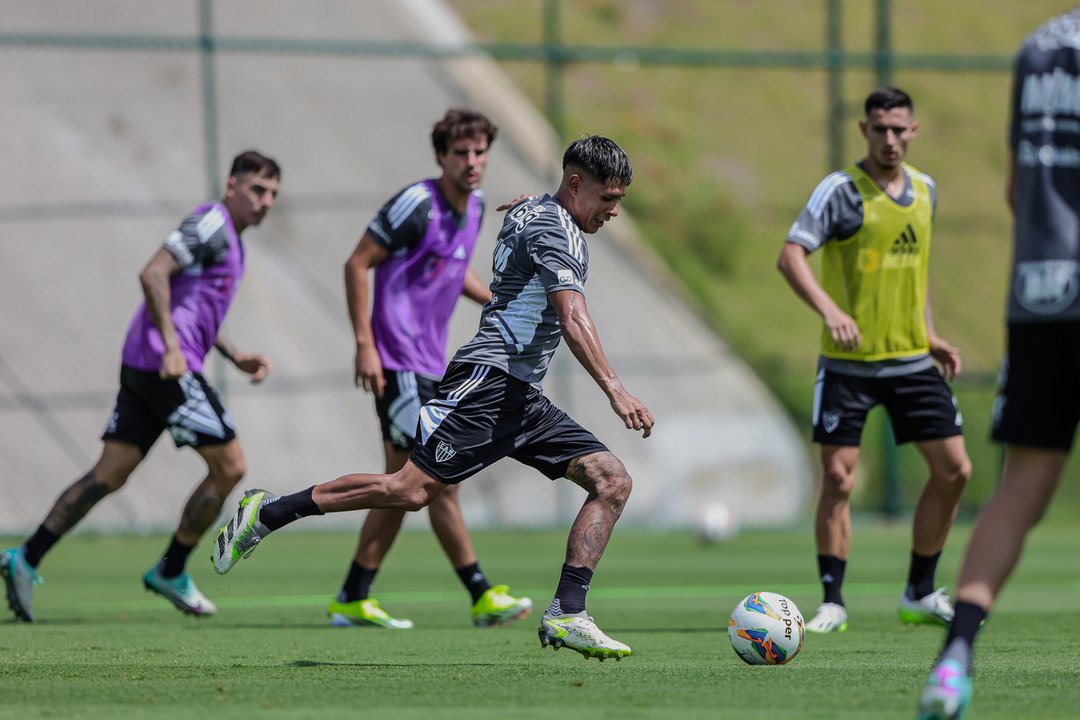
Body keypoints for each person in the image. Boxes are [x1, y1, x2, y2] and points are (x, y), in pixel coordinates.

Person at [212, 135, 653, 662]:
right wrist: (615, 388)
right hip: (487, 385)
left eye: (620, 201)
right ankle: (268, 512)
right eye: (609, 199)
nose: (614, 212)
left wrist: (534, 206)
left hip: (520, 395)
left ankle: (568, 613)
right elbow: (572, 315)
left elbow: (533, 217)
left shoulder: (541, 212)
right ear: (577, 185)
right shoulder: (554, 230)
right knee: (408, 490)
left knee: (611, 480)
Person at [0, 150, 281, 622]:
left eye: (273, 193)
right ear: (231, 186)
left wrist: (233, 355)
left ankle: (25, 558)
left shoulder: (232, 239)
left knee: (109, 474)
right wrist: (172, 349)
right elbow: (153, 272)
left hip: (146, 363)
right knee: (230, 467)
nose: (265, 201)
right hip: (164, 367)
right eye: (257, 189)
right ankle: (171, 569)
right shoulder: (212, 223)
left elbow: (194, 309)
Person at [918, 10, 1080, 719]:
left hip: (1040, 295)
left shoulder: (1038, 47)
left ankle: (955, 659)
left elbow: (1018, 187)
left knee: (1019, 492)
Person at [777, 87, 972, 635]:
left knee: (956, 471)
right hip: (848, 366)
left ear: (914, 132)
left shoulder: (927, 191)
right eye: (879, 128)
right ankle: (832, 601)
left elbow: (916, 271)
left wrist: (930, 333)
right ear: (864, 130)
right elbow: (791, 255)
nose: (890, 138)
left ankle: (919, 590)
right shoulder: (840, 190)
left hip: (912, 361)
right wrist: (831, 310)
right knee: (838, 479)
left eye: (899, 129)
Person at [330, 108, 531, 630]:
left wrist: (498, 301)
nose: (471, 162)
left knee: (407, 482)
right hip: (396, 360)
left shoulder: (477, 206)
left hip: (428, 364)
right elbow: (357, 263)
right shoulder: (415, 204)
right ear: (441, 156)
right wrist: (363, 344)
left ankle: (354, 595)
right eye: (460, 153)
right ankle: (481, 594)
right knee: (429, 479)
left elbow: (453, 268)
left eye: (479, 152)